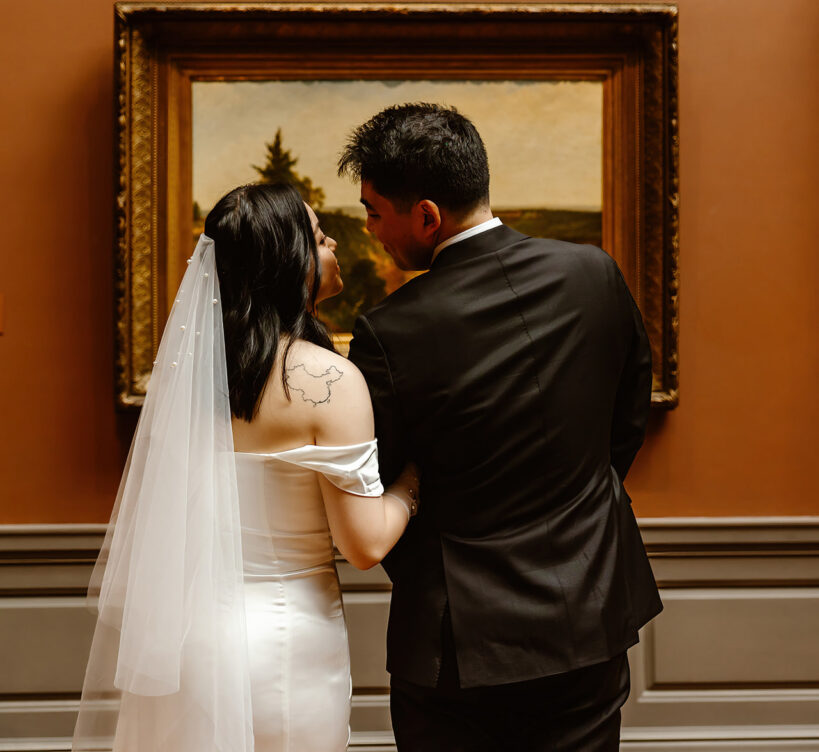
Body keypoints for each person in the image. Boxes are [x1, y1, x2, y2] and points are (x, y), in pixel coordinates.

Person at [339, 103, 662, 752]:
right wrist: (573, 509)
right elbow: (627, 419)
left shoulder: (389, 332)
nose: (371, 229)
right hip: (590, 612)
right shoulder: (593, 274)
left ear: (425, 216)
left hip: (457, 645)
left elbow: (377, 481)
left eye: (374, 211)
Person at [73, 182, 418, 752]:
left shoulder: (189, 376)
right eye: (321, 237)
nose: (333, 247)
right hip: (286, 643)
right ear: (291, 261)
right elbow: (365, 545)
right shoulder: (327, 380)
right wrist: (413, 482)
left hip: (190, 641)